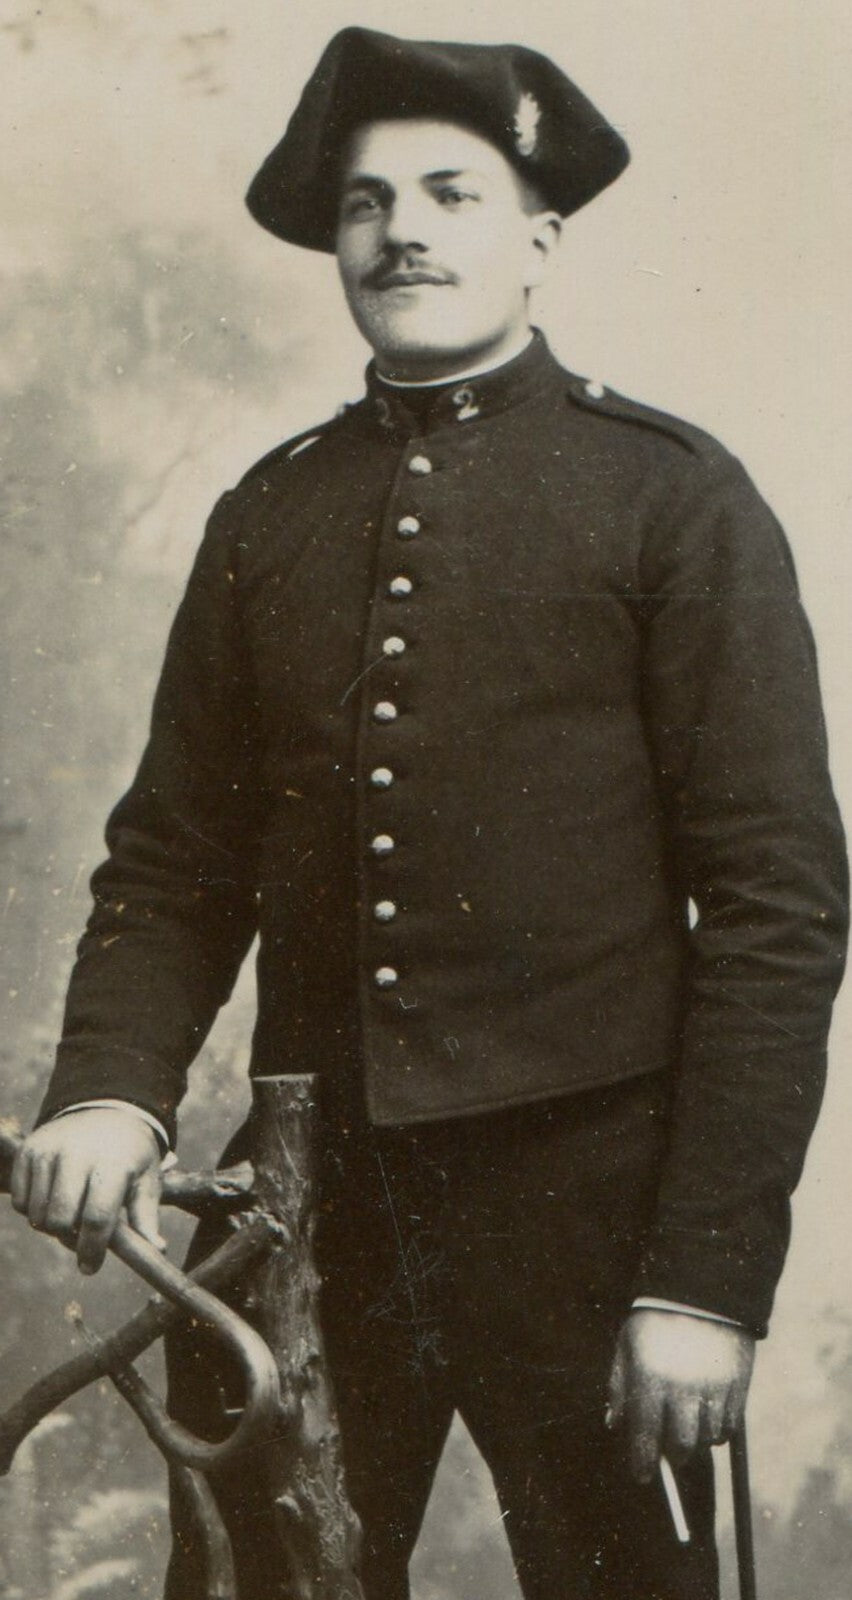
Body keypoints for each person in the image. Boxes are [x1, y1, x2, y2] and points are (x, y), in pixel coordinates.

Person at [10, 26, 848, 1600]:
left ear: (536, 240)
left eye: (451, 194)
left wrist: (706, 1280)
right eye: (365, 203)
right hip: (305, 1221)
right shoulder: (269, 514)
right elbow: (177, 862)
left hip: (598, 1232)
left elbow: (775, 911)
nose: (402, 231)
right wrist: (111, 1089)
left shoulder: (675, 497)